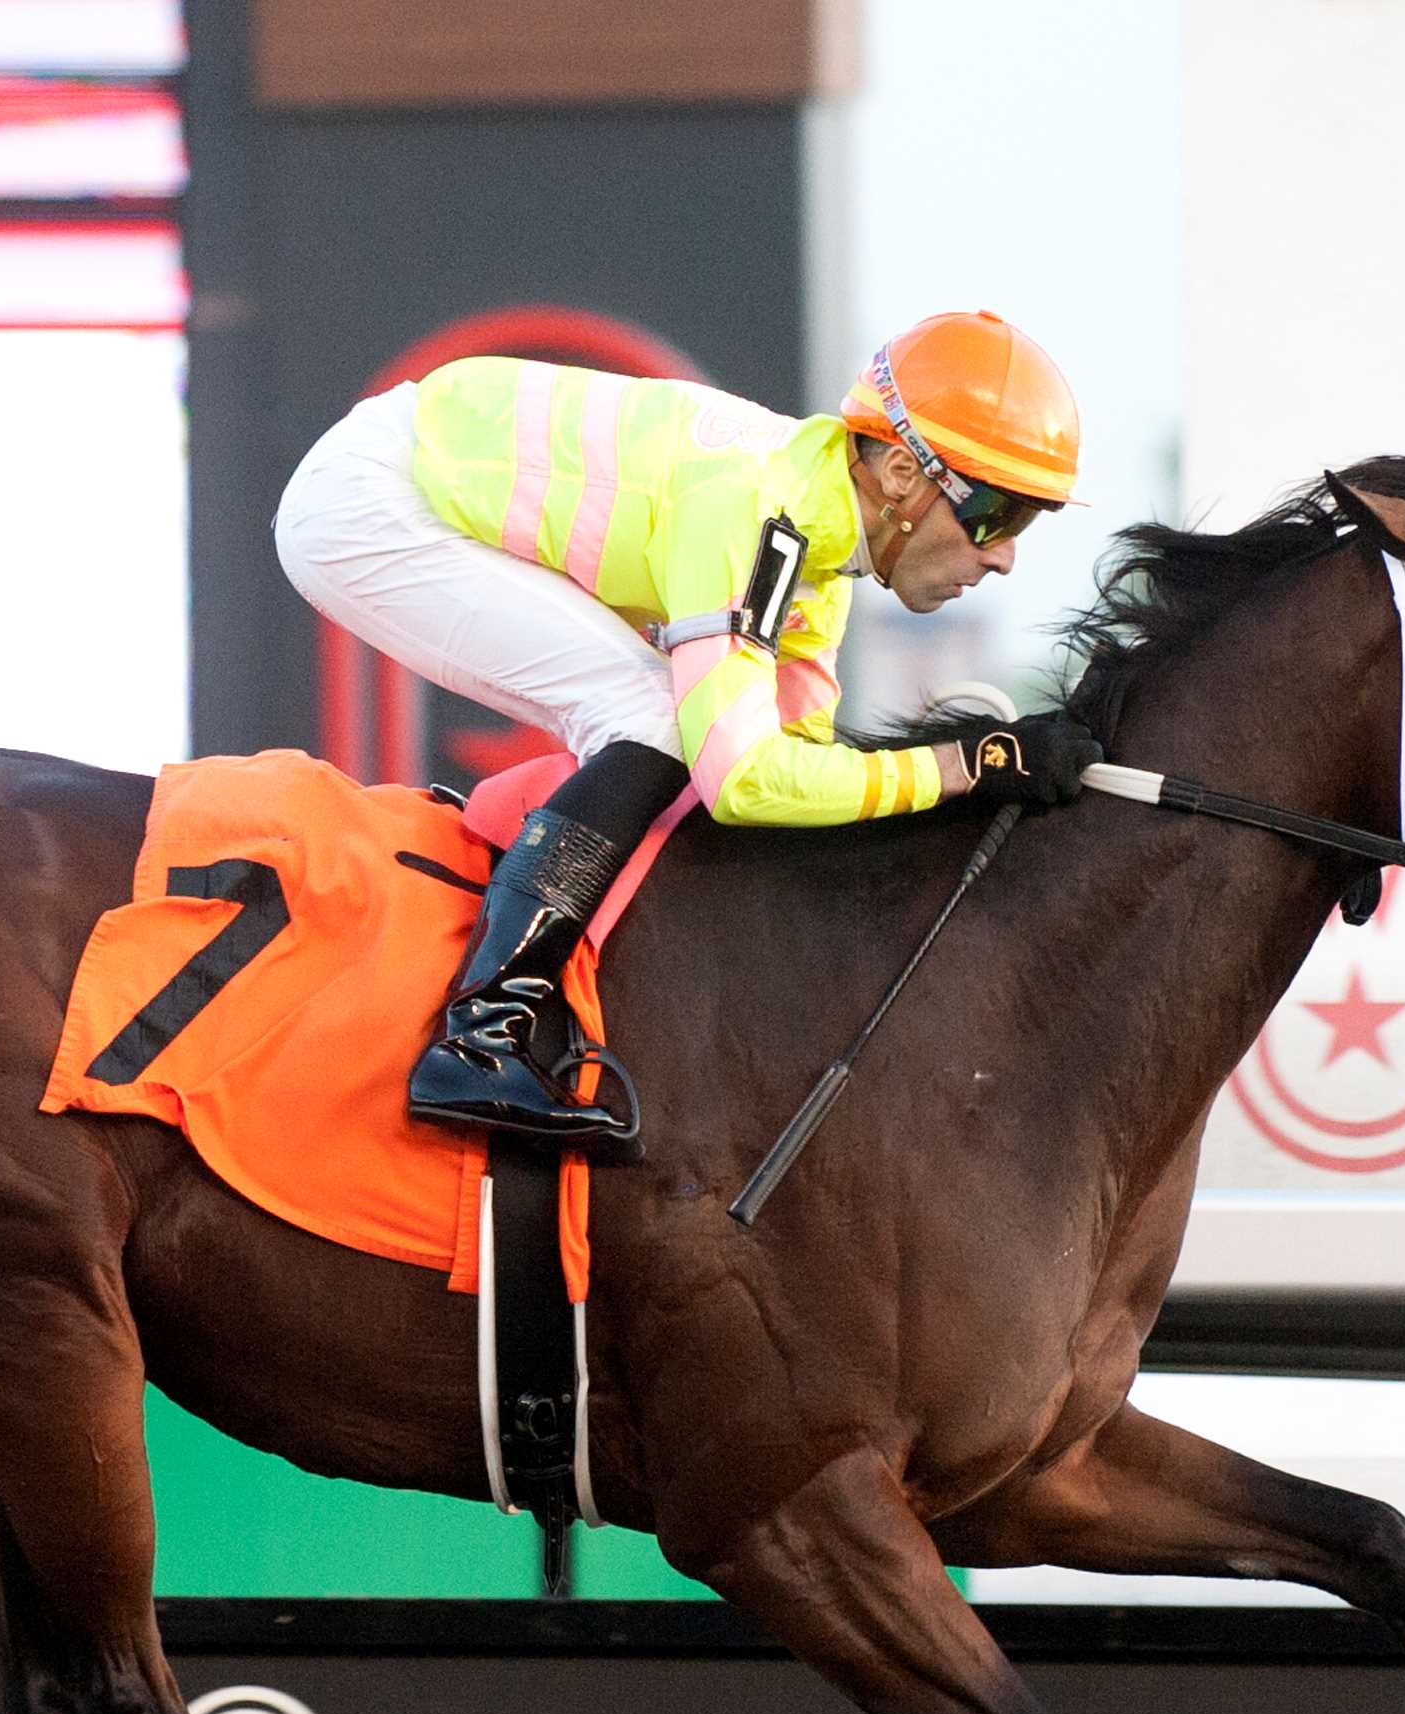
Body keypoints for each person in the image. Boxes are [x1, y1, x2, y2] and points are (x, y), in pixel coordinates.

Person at [274, 311, 1106, 1152]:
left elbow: (797, 777)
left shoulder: (819, 557)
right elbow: (742, 778)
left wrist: (962, 775)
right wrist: (967, 765)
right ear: (899, 473)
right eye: (998, 514)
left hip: (414, 474)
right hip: (372, 501)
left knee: (661, 723)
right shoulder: (754, 510)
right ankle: (482, 1036)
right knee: (652, 719)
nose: (1004, 557)